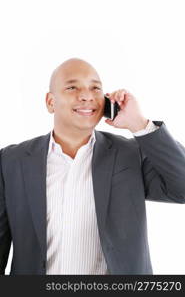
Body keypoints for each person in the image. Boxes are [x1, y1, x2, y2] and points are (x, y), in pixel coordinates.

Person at [0, 58, 185, 275]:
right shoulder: (12, 160)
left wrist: (139, 124)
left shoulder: (130, 155)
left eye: (95, 88)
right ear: (50, 102)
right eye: (72, 87)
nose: (87, 96)